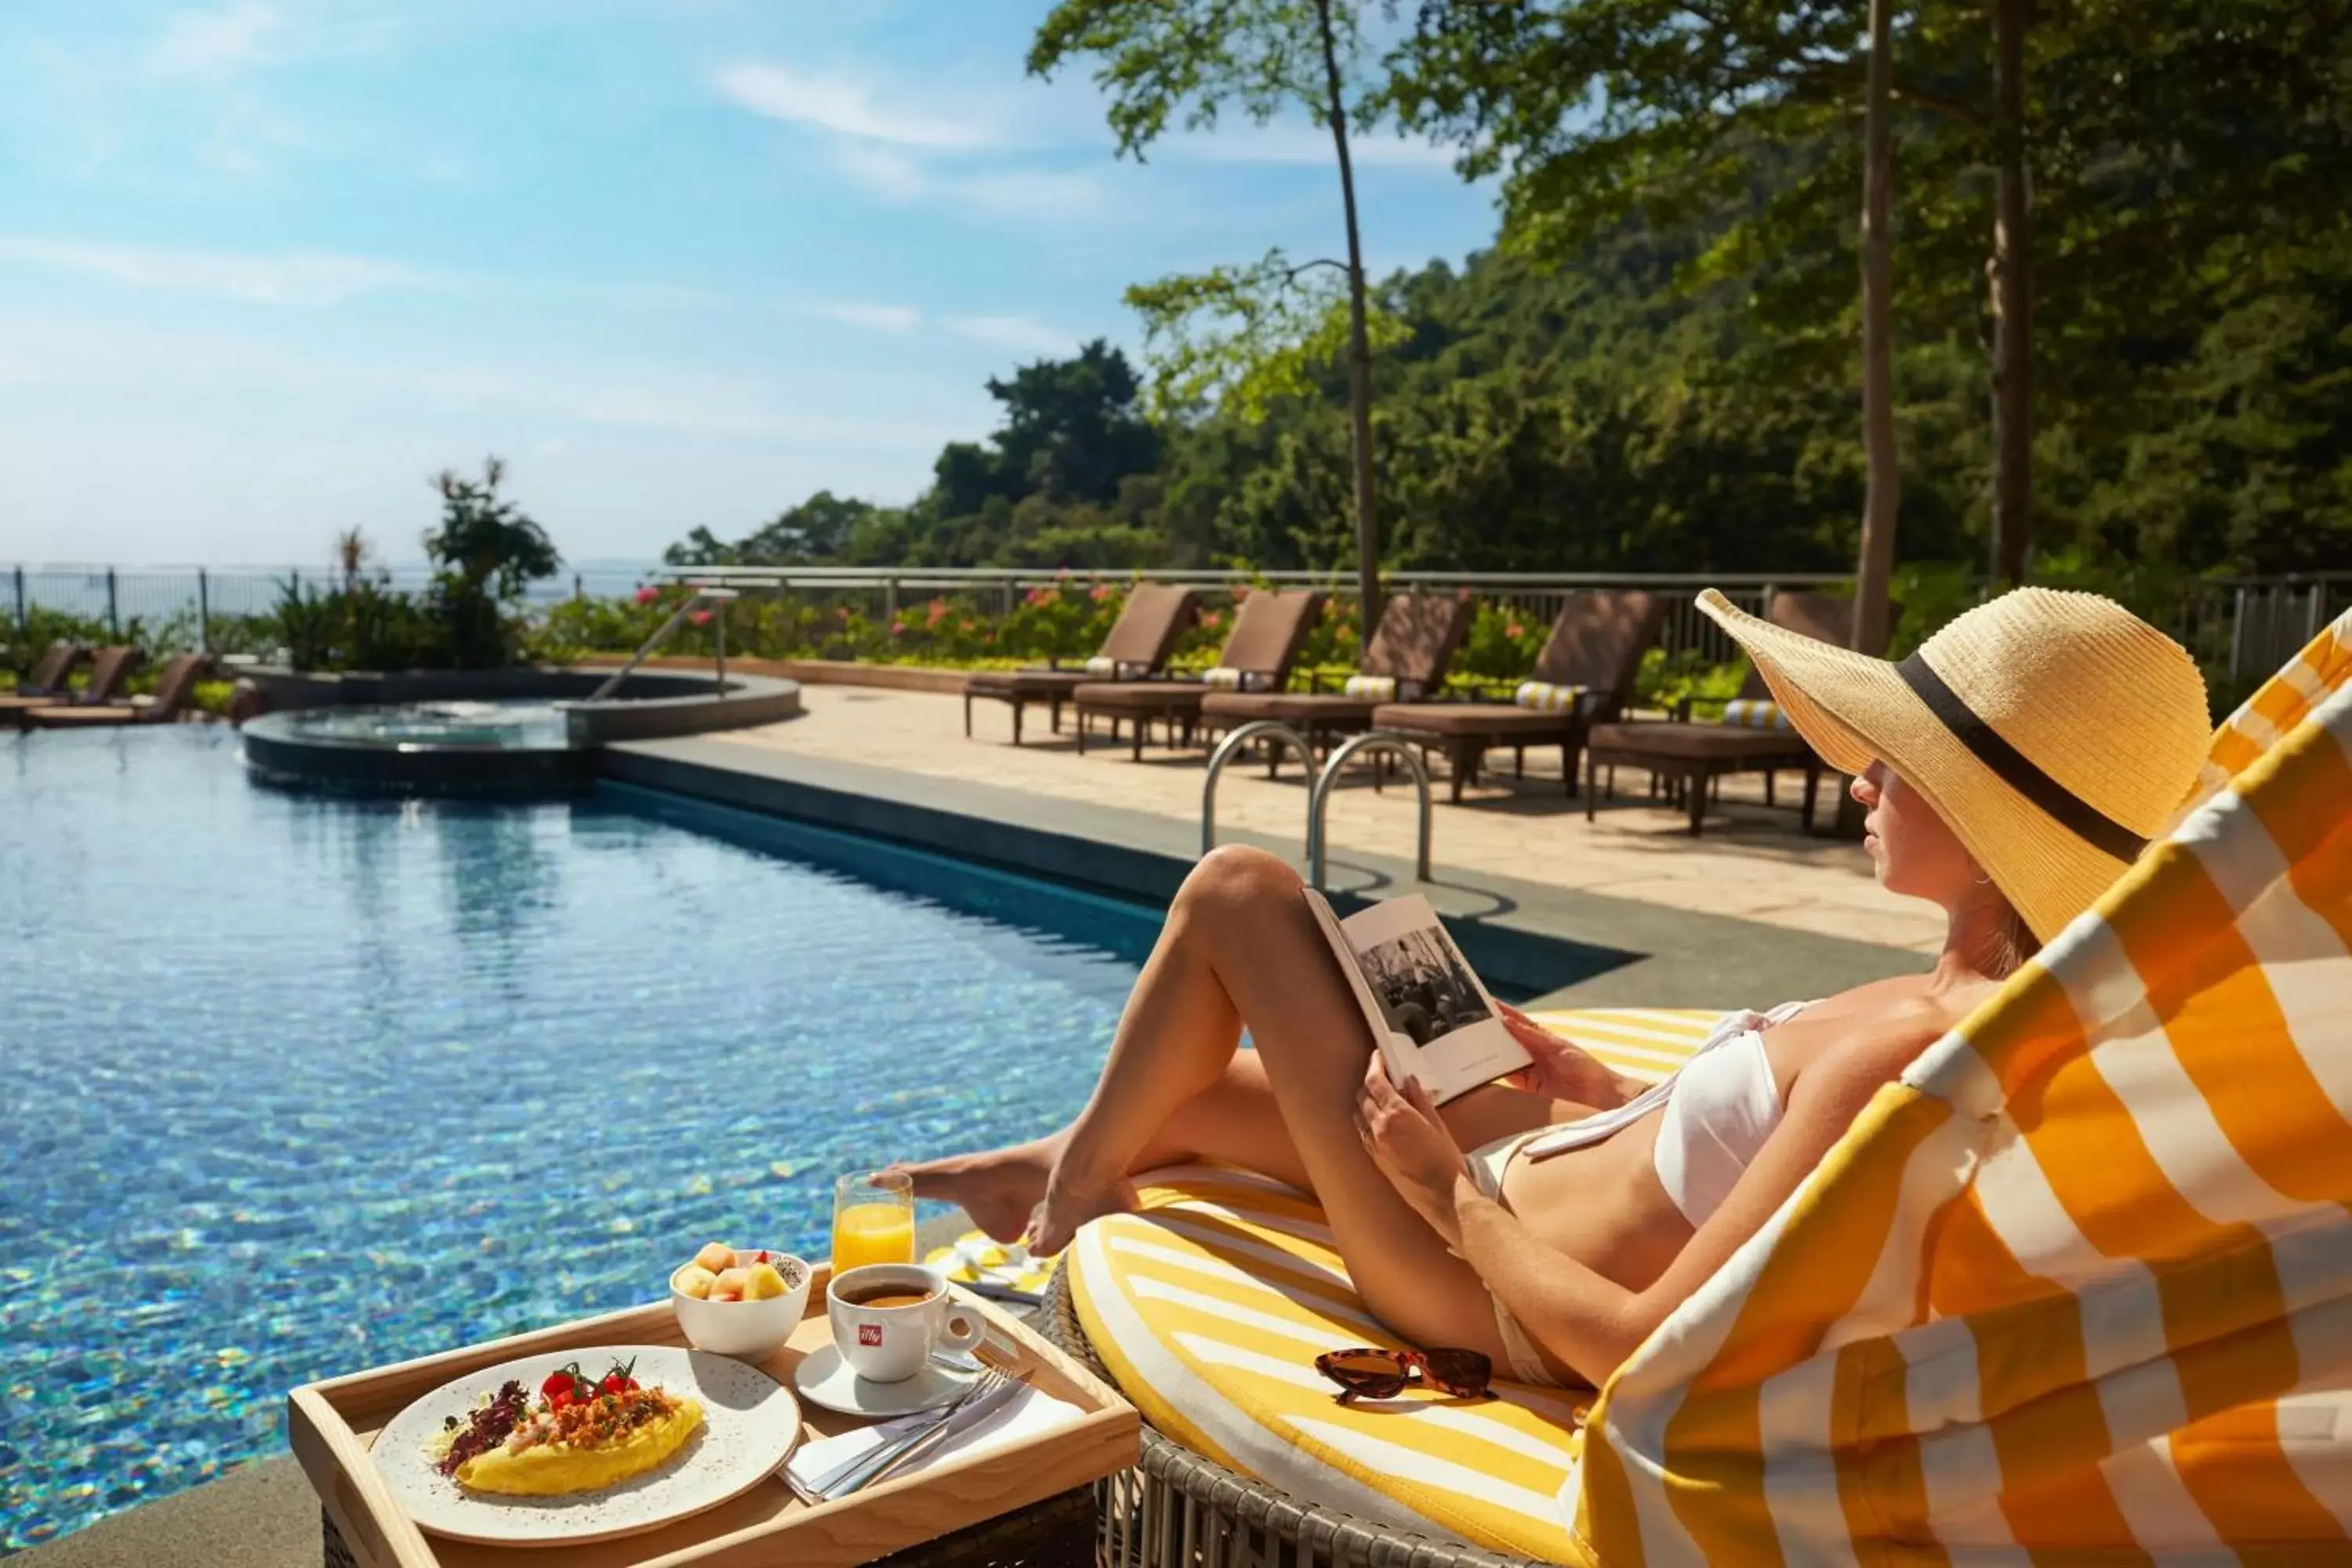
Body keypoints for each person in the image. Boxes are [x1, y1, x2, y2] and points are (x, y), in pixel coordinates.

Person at [900, 586, 2212, 1388]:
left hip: (1472, 1278)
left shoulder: (1909, 1050)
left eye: (1898, 765)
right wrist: (1600, 1090)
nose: (1860, 780)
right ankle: (1056, 1161)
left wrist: (1439, 1198)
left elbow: (1647, 1347)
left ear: (1987, 825)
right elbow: (1727, 1179)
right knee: (1189, 1101)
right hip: (1527, 1153)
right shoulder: (1932, 998)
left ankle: (1059, 1217)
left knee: (1241, 895)